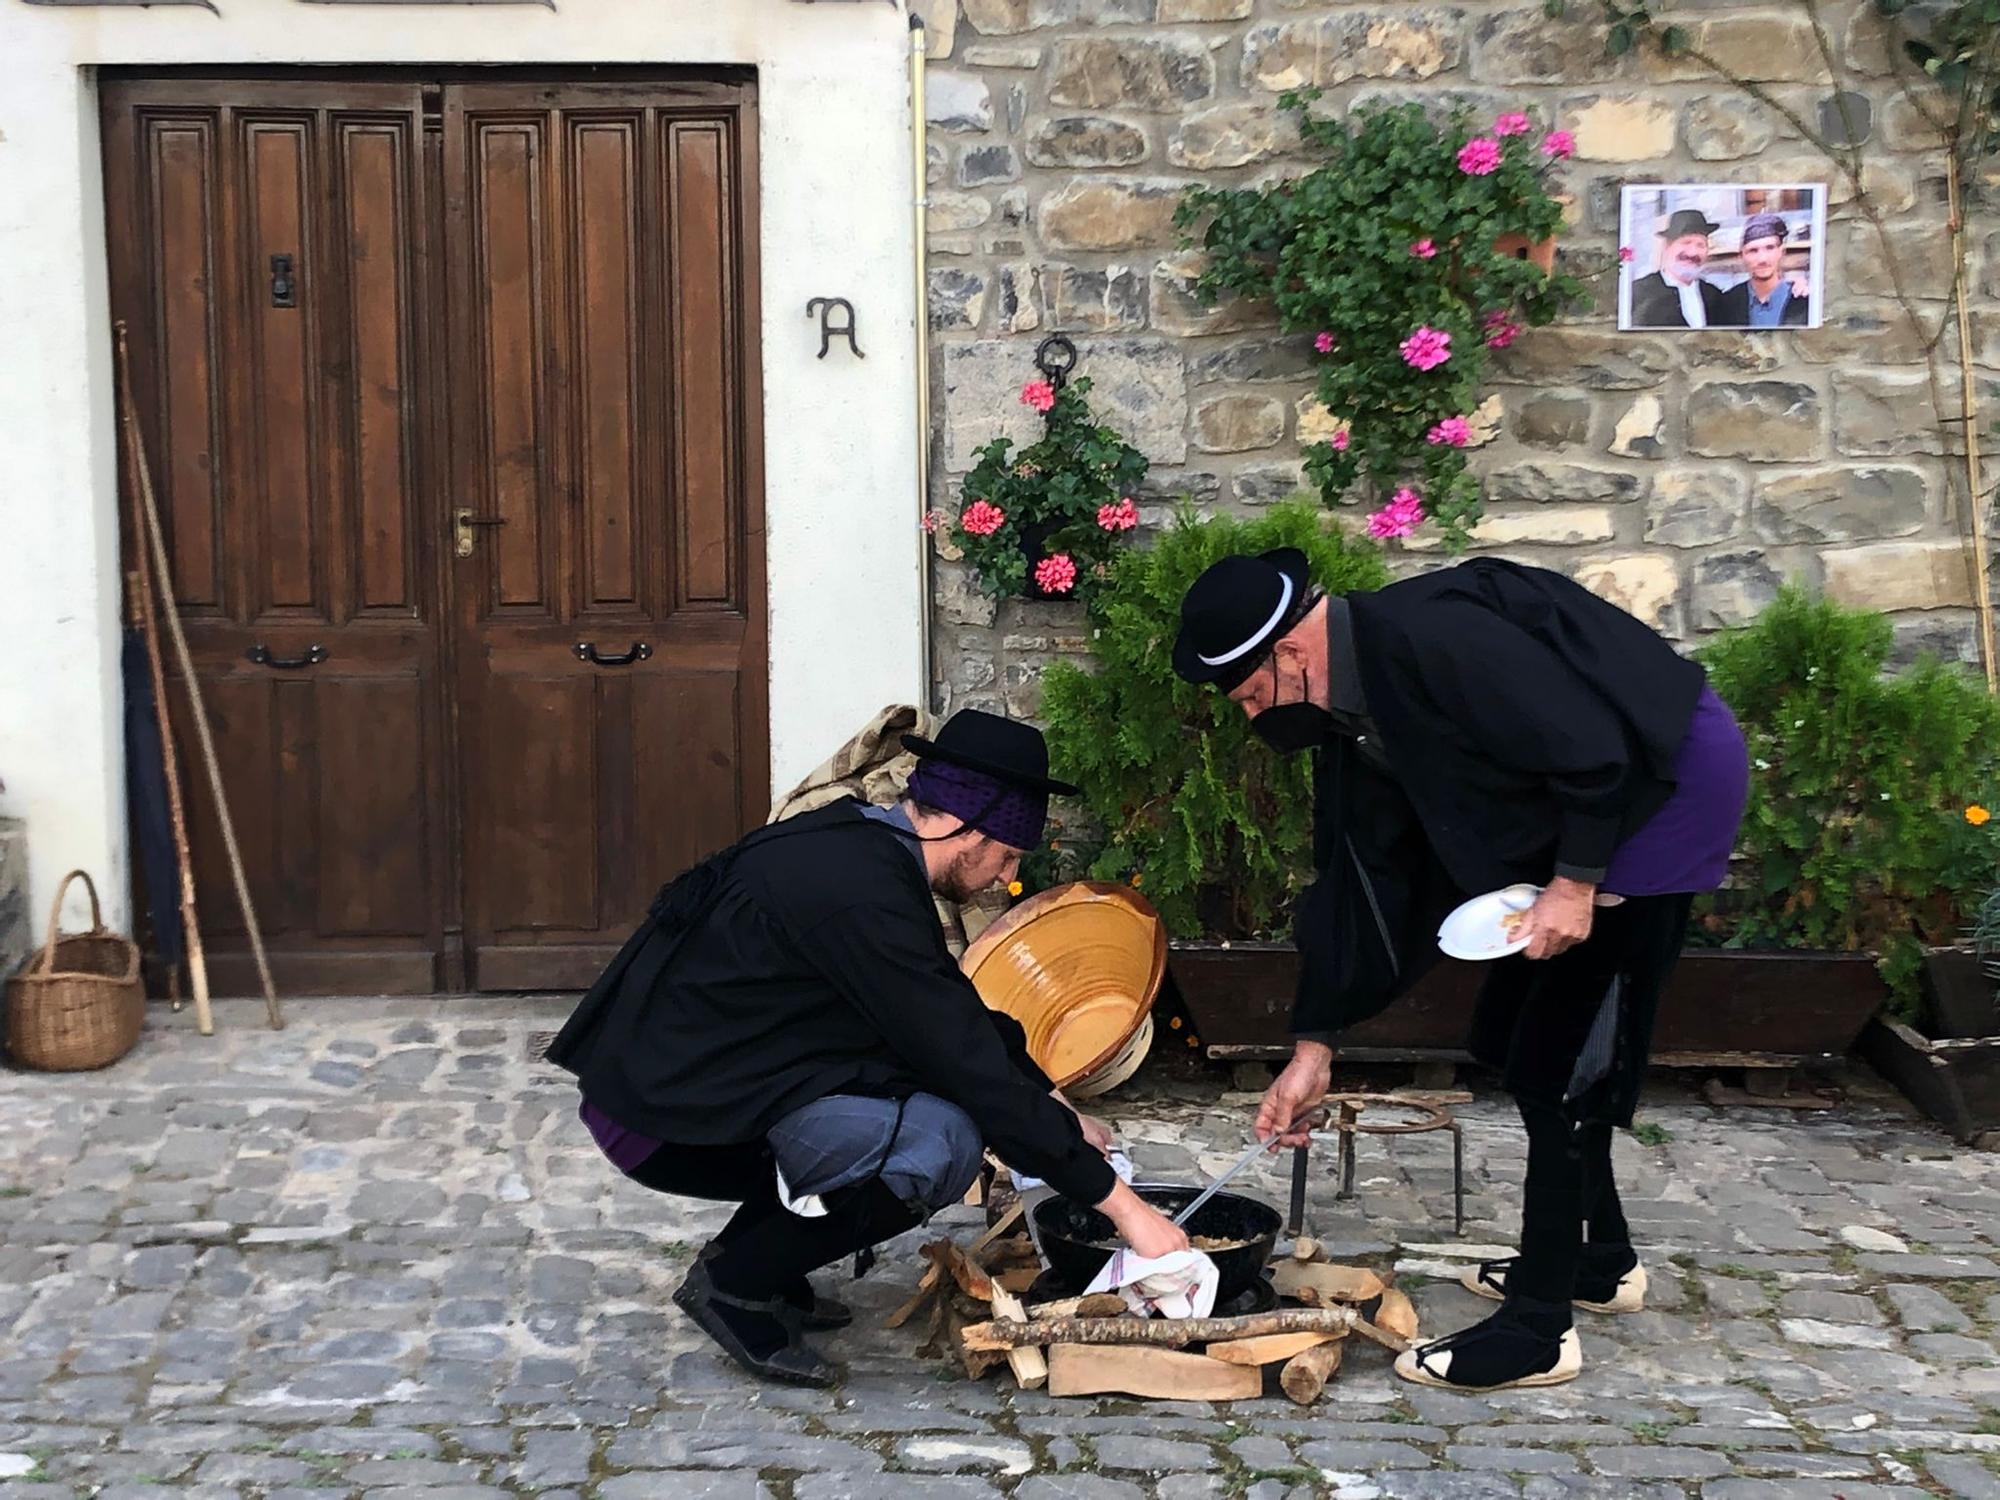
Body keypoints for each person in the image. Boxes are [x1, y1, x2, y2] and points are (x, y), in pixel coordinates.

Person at [1172, 552, 1748, 1393]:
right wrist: (1313, 1048)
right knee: (1512, 1036)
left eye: (1252, 696)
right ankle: (1600, 1260)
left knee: (1563, 1059)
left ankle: (1541, 1328)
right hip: (1596, 798)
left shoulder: (1436, 639)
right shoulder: (1353, 709)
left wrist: (1576, 883)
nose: (1255, 716)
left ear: (1289, 654)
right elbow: (1356, 878)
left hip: (1659, 785)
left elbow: (1591, 749)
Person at [543, 709, 1188, 1387]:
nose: (1006, 874)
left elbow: (953, 1013)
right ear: (966, 828)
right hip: (660, 1120)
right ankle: (734, 1284)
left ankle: (767, 1266)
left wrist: (1055, 1105)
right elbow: (963, 1061)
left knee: (916, 1091)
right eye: (1007, 853)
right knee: (939, 1141)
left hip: (687, 1085)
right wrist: (1127, 1211)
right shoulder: (861, 893)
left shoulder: (858, 843)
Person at [1628, 208, 1729, 329]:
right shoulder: (1638, 292)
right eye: (1686, 242)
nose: (1692, 252)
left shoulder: (1714, 295)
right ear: (1667, 246)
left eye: (1701, 245)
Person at [1712, 212, 1811, 328]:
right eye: (1753, 250)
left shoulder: (1804, 301)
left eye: (1770, 248)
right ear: (1742, 256)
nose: (1762, 259)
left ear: (1782, 252)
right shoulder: (1727, 304)